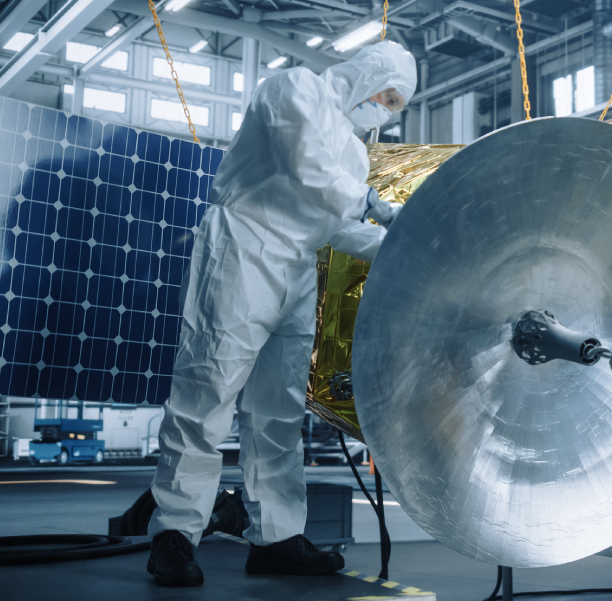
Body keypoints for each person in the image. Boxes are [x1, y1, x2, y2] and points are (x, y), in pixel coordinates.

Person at [146, 42, 417, 587]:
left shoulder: (355, 153)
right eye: (386, 97)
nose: (384, 112)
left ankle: (276, 535)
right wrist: (375, 204)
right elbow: (306, 165)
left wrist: (407, 241)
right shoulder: (294, 88)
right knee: (207, 393)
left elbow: (339, 226)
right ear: (368, 75)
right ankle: (174, 534)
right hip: (243, 247)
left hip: (297, 267)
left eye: (394, 107)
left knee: (279, 410)